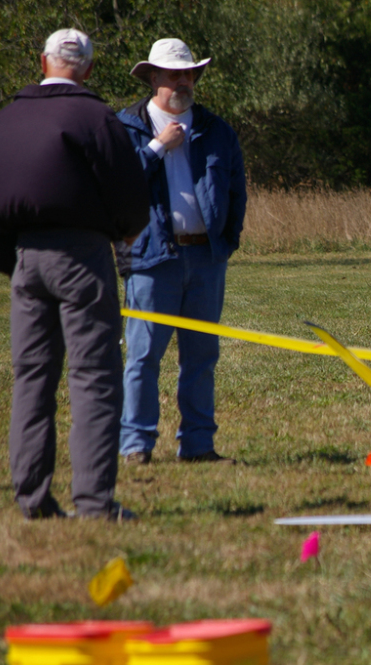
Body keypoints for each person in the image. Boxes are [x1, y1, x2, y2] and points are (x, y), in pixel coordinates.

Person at [0, 29, 149, 520]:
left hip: (25, 258)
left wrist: (8, 259)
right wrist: (125, 232)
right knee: (93, 377)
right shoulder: (95, 115)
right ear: (90, 69)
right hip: (81, 256)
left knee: (32, 378)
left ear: (43, 61)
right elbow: (128, 190)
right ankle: (95, 502)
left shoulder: (4, 119)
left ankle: (32, 498)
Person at [116, 38, 246, 465]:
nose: (183, 81)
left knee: (202, 356)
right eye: (174, 74)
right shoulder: (128, 127)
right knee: (143, 356)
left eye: (189, 73)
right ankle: (136, 445)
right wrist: (159, 147)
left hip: (206, 259)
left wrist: (225, 243)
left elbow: (236, 191)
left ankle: (197, 445)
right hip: (152, 258)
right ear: (153, 78)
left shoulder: (217, 130)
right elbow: (113, 181)